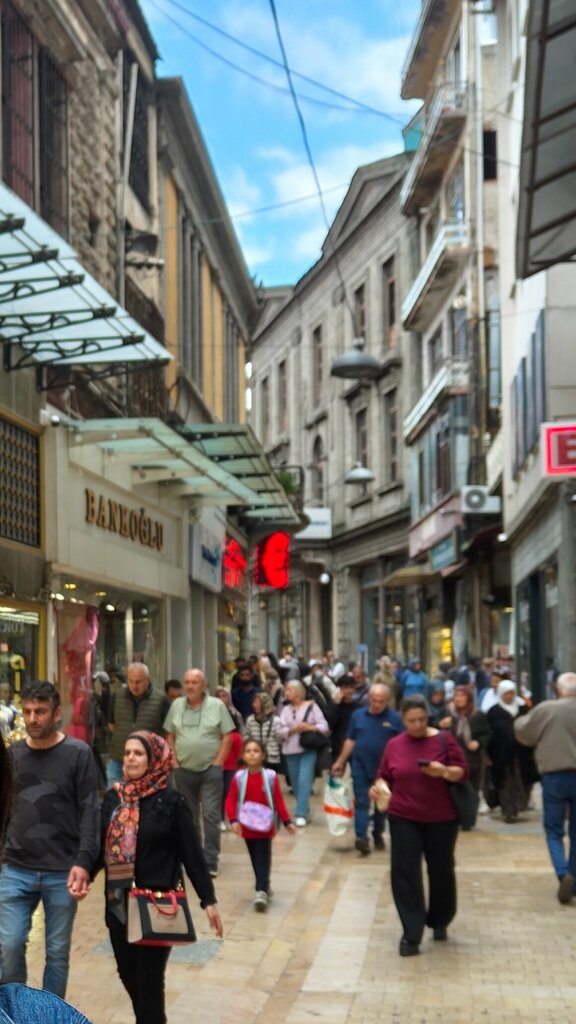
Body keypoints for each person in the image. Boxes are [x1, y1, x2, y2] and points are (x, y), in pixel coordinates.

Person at [102, 732, 223, 1024]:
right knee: (128, 974)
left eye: (138, 753)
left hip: (156, 906)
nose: (131, 758)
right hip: (118, 904)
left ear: (154, 759)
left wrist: (208, 900)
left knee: (149, 984)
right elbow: (98, 846)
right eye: (127, 753)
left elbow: (192, 854)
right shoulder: (114, 798)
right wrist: (81, 871)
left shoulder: (172, 802)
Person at [0, 681, 100, 998]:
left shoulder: (78, 754)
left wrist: (84, 862)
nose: (33, 718)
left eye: (40, 711)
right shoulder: (13, 754)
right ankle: (16, 1010)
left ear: (57, 714)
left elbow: (90, 811)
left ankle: (50, 1015)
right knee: (9, 945)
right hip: (15, 867)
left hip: (62, 869)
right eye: (28, 711)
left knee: (57, 953)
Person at [371, 694, 469, 957]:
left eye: (422, 720)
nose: (417, 725)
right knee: (404, 873)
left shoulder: (444, 739)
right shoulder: (394, 745)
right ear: (403, 721)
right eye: (411, 721)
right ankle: (411, 933)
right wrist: (378, 788)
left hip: (442, 819)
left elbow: (463, 771)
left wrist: (444, 771)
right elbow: (384, 775)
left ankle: (440, 919)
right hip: (404, 817)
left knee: (441, 870)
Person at [164, 668, 234, 877]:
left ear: (204, 685)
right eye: (187, 682)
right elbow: (169, 736)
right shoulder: (177, 705)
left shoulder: (217, 705)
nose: (189, 686)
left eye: (194, 682)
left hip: (210, 770)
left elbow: (228, 736)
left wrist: (218, 762)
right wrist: (175, 762)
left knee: (211, 814)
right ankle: (194, 858)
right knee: (188, 817)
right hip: (183, 770)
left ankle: (210, 860)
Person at [514, 672, 576, 903]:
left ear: (559, 689)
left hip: (555, 775)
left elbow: (523, 732)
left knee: (553, 830)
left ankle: (563, 873)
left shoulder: (548, 709)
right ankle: (573, 878)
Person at [225, 738, 296, 911]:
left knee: (263, 857)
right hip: (247, 827)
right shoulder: (239, 777)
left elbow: (278, 800)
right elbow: (230, 799)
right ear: (243, 755)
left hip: (265, 827)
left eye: (256, 751)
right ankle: (264, 884)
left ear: (263, 755)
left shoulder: (270, 777)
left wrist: (287, 821)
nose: (252, 754)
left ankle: (261, 890)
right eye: (248, 751)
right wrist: (233, 820)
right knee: (255, 858)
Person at [332, 683, 403, 855]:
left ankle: (377, 833)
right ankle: (361, 837)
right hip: (360, 766)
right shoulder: (358, 715)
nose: (377, 704)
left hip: (384, 770)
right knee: (362, 801)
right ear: (369, 699)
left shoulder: (395, 719)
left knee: (381, 803)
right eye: (374, 700)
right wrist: (340, 761)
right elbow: (350, 740)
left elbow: (402, 743)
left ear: (387, 701)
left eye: (381, 701)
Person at [107, 663, 170, 787]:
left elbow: (167, 733)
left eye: (138, 682)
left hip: (149, 764)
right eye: (131, 681)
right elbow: (111, 725)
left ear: (148, 680)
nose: (134, 686)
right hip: (119, 759)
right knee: (114, 797)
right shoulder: (117, 696)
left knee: (147, 798)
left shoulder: (160, 699)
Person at [277, 681, 330, 827]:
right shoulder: (285, 710)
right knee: (295, 784)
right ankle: (305, 810)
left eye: (290, 690)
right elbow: (280, 730)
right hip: (290, 750)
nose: (286, 692)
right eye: (286, 690)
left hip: (308, 749)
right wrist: (293, 730)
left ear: (299, 692)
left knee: (304, 780)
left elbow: (324, 726)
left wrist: (309, 727)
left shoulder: (312, 707)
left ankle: (299, 813)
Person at [487, 681, 538, 823]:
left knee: (522, 779)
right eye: (506, 694)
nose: (509, 696)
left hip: (522, 753)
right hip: (501, 754)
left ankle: (519, 805)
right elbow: (490, 733)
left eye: (511, 693)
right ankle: (508, 810)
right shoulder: (494, 712)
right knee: (505, 781)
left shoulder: (523, 709)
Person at [442, 685, 492, 829]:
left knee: (471, 790)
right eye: (456, 695)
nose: (458, 699)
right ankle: (455, 818)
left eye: (462, 696)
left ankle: (468, 820)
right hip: (452, 758)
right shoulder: (448, 713)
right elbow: (434, 729)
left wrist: (478, 742)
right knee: (453, 790)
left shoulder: (478, 715)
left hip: (472, 759)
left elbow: (488, 733)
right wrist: (441, 725)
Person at [243, 692, 283, 769]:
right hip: (254, 757)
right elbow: (245, 736)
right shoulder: (250, 720)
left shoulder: (276, 720)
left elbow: (280, 740)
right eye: (254, 702)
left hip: (272, 758)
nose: (254, 705)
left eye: (257, 702)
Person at [325, 675, 357, 760]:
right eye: (346, 688)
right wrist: (336, 704)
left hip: (355, 749)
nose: (349, 691)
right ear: (339, 689)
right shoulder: (332, 706)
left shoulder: (359, 707)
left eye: (351, 687)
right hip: (337, 748)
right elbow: (329, 723)